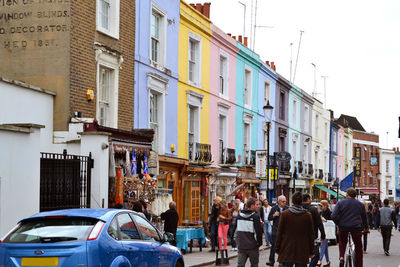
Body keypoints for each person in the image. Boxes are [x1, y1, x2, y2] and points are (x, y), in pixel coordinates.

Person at [275, 192, 315, 267]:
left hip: (287, 248)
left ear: (292, 201)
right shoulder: (307, 215)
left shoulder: (285, 214)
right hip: (302, 250)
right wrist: (311, 251)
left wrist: (277, 248)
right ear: (301, 202)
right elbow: (311, 234)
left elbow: (279, 232)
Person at [331, 188, 369, 267]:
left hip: (343, 227)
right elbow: (365, 218)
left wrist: (339, 223)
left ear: (347, 194)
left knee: (342, 242)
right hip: (356, 228)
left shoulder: (340, 203)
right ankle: (359, 265)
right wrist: (366, 228)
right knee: (358, 247)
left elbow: (333, 216)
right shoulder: (360, 204)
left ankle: (341, 257)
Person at [233, 197, 263, 267]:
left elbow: (234, 230)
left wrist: (237, 241)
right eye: (257, 204)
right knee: (254, 265)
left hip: (242, 246)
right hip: (253, 247)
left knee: (240, 265)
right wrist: (259, 243)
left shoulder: (239, 216)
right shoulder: (255, 217)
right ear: (252, 206)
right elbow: (258, 233)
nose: (258, 206)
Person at [302, 193, 325, 267]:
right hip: (312, 236)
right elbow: (319, 223)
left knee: (302, 256)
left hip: (300, 237)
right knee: (315, 255)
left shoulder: (298, 208)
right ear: (308, 199)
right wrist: (323, 235)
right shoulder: (313, 209)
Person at [266, 195, 288, 266]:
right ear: (279, 201)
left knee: (283, 246)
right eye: (283, 201)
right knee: (273, 246)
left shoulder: (287, 209)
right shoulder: (274, 208)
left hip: (284, 231)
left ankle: (281, 261)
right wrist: (274, 215)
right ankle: (271, 261)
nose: (284, 202)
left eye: (285, 201)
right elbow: (269, 218)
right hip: (275, 230)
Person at [317, 200, 331, 267]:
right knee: (325, 247)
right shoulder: (322, 212)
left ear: (325, 205)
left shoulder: (329, 212)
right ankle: (328, 262)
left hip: (327, 231)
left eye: (321, 205)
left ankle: (319, 260)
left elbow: (331, 221)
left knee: (323, 245)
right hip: (323, 230)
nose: (320, 207)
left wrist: (325, 220)